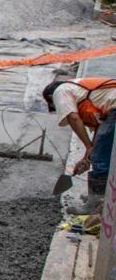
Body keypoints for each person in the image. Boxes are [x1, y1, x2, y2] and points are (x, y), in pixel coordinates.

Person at [43, 77, 116, 213]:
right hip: (113, 110)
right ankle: (100, 198)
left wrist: (90, 148)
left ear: (50, 97)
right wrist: (86, 158)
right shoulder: (81, 92)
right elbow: (100, 134)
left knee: (100, 159)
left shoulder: (61, 90)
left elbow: (73, 118)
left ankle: (94, 205)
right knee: (102, 154)